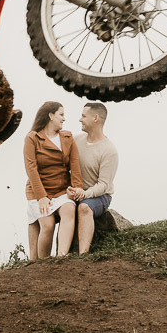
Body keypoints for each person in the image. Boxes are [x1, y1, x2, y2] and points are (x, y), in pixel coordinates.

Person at [23, 102, 82, 259]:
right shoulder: (32, 138)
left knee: (69, 209)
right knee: (48, 226)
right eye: (61, 114)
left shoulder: (68, 137)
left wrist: (77, 188)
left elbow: (75, 166)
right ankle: (43, 264)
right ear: (50, 115)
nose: (64, 119)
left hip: (62, 189)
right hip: (39, 191)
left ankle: (61, 257)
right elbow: (31, 170)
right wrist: (41, 197)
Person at [63, 102, 119, 254]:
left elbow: (103, 185)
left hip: (100, 196)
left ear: (95, 118)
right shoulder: (76, 140)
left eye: (83, 116)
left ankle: (83, 255)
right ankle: (55, 256)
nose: (80, 119)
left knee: (84, 208)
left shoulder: (109, 150)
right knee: (60, 208)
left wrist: (84, 194)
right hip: (77, 191)